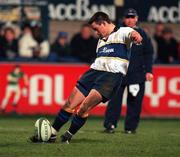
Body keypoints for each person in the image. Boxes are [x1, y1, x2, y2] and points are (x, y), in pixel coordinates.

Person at [30, 11, 142, 143]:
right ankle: (52, 133)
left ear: (104, 23)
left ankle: (69, 134)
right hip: (93, 73)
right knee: (69, 104)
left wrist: (136, 36)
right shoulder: (100, 41)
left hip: (111, 76)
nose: (96, 32)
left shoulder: (123, 31)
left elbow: (133, 34)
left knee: (84, 107)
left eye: (96, 29)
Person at [103, 8, 154, 134]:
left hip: (136, 74)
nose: (130, 19)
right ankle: (110, 124)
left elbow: (148, 53)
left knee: (135, 102)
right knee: (114, 101)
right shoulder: (117, 32)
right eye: (128, 17)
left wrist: (149, 71)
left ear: (136, 18)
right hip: (118, 72)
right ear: (123, 19)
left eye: (132, 17)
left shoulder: (143, 34)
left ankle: (131, 127)